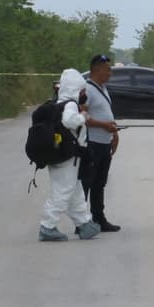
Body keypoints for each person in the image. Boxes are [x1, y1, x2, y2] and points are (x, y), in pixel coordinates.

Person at [38, 69, 101, 242]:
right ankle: (47, 226)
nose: (83, 94)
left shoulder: (58, 102)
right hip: (68, 157)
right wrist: (83, 117)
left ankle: (84, 224)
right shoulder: (71, 105)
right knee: (63, 191)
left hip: (62, 156)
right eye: (82, 91)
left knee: (75, 191)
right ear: (75, 89)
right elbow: (69, 121)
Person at [82, 54, 121, 232]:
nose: (110, 73)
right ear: (97, 69)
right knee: (87, 182)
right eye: (108, 69)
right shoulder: (87, 90)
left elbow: (106, 114)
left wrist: (114, 134)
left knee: (100, 183)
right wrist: (103, 125)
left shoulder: (103, 88)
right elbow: (82, 116)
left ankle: (99, 218)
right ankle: (81, 222)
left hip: (105, 143)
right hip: (92, 143)